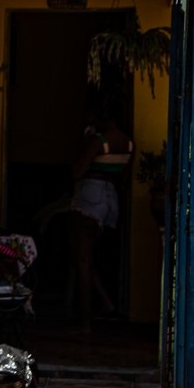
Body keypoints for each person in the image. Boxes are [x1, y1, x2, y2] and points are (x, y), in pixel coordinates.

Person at [66, 113, 132, 331]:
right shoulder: (127, 142)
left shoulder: (99, 140)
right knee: (85, 257)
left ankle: (85, 321)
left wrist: (85, 142)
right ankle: (106, 302)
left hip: (90, 195)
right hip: (111, 198)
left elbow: (77, 171)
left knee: (82, 260)